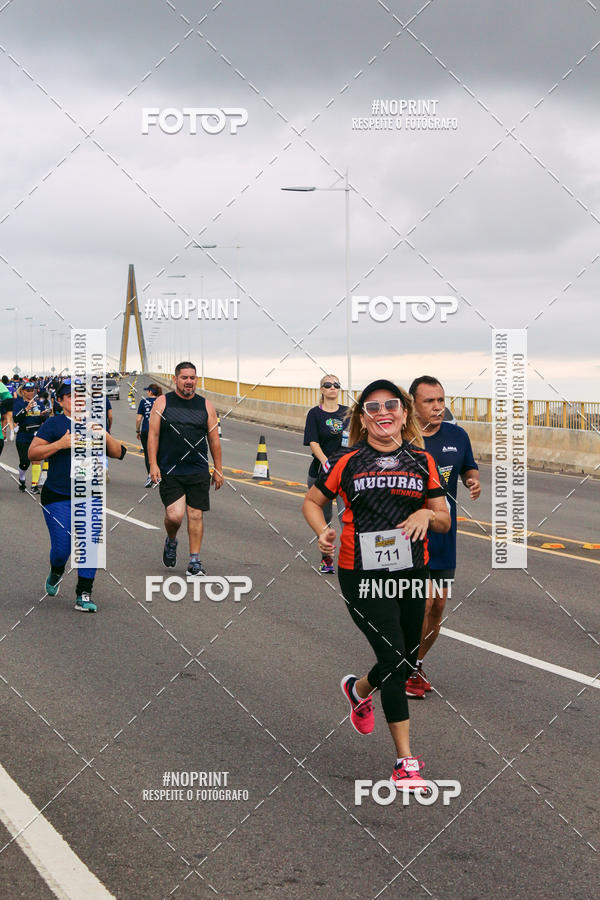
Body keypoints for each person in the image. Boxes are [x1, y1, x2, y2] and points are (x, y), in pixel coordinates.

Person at [303, 379, 450, 790]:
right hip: (361, 572)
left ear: (405, 414)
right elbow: (313, 501)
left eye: (391, 405)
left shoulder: (422, 461)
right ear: (362, 418)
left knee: (402, 654)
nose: (383, 412)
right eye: (372, 407)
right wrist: (321, 531)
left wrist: (426, 517)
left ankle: (358, 689)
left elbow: (444, 518)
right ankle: (405, 763)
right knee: (396, 660)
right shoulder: (347, 460)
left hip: (410, 571)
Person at [406, 376, 481, 696]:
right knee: (414, 605)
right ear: (413, 404)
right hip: (406, 534)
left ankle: (413, 665)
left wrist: (472, 481)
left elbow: (469, 467)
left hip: (443, 534)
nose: (438, 407)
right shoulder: (399, 438)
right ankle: (401, 667)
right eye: (429, 401)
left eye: (441, 400)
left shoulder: (457, 435)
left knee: (437, 605)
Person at [28, 380, 128, 612]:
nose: (79, 400)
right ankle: (56, 571)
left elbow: (118, 453)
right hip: (58, 495)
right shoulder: (54, 424)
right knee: (63, 549)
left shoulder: (95, 424)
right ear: (61, 401)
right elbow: (33, 453)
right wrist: (61, 444)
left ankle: (84, 593)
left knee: (90, 544)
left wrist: (103, 434)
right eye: (72, 396)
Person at [147, 362, 223, 576]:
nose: (189, 381)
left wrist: (218, 469)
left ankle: (194, 561)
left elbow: (214, 440)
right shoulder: (162, 403)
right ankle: (171, 540)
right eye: (184, 377)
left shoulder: (206, 406)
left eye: (192, 377)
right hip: (170, 469)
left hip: (197, 468)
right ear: (175, 379)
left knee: (195, 514)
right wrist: (153, 464)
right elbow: (152, 435)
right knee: (175, 516)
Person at [303, 375, 349, 574]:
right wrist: (325, 462)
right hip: (321, 473)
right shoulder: (314, 414)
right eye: (328, 385)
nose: (332, 388)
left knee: (345, 516)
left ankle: (351, 559)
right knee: (325, 520)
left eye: (336, 385)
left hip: (344, 474)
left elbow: (354, 439)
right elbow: (313, 442)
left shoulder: (348, 413)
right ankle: (327, 559)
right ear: (321, 390)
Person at [12, 381, 51, 492]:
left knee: (37, 460)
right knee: (25, 462)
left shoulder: (39, 403)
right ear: (23, 392)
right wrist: (26, 409)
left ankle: (34, 486)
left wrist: (44, 415)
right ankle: (22, 476)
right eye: (28, 391)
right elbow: (16, 419)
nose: (30, 393)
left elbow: (45, 420)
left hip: (36, 436)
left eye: (32, 391)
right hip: (23, 435)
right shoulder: (18, 403)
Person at [136, 384, 162, 487]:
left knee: (148, 454)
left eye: (148, 391)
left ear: (150, 392)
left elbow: (139, 419)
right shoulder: (161, 402)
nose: (147, 393)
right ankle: (160, 476)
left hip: (146, 431)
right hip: (159, 431)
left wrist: (138, 431)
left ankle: (150, 476)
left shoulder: (143, 402)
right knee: (160, 453)